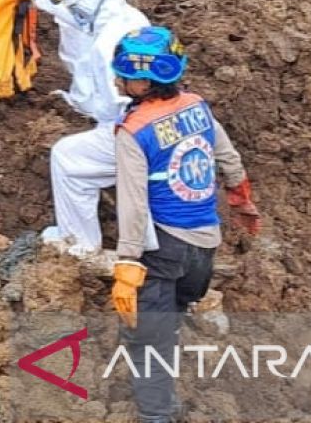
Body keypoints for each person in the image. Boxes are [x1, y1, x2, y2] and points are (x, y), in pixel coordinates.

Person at [108, 26, 262, 423]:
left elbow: (133, 204)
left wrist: (127, 263)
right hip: (204, 246)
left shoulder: (133, 131)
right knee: (173, 308)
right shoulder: (196, 105)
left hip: (164, 246)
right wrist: (242, 202)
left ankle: (156, 414)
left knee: (148, 340)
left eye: (125, 74)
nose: (118, 79)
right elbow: (228, 160)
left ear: (144, 80)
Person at [33, 0, 150, 256]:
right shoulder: (130, 17)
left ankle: (80, 244)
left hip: (130, 133)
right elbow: (82, 18)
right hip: (154, 123)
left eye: (73, 3)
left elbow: (114, 106)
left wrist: (96, 113)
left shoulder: (107, 45)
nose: (73, 9)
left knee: (67, 159)